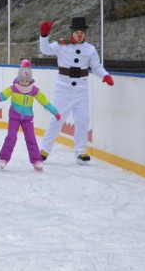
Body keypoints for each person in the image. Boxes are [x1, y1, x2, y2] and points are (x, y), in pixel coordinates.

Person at [38, 17, 114, 165]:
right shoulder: (62, 45)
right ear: (72, 32)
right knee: (57, 118)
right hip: (63, 88)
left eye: (82, 32)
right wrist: (44, 36)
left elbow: (96, 66)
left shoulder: (90, 49)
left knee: (83, 120)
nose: (80, 35)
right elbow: (45, 50)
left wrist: (105, 75)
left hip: (81, 88)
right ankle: (45, 149)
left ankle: (80, 151)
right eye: (77, 32)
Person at [0, 59, 60, 171]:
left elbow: (45, 102)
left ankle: (36, 160)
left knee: (31, 139)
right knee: (11, 137)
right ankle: (4, 158)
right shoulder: (13, 88)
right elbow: (1, 96)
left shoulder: (34, 90)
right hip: (14, 117)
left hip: (28, 118)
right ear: (19, 78)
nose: (24, 83)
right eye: (22, 80)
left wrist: (55, 112)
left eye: (27, 80)